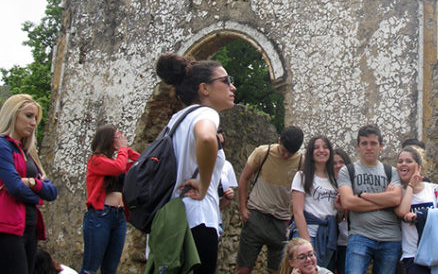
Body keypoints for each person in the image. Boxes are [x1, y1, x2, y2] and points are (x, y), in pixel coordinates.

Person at [156, 53, 236, 274]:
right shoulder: (206, 113)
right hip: (198, 219)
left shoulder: (177, 120)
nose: (233, 87)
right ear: (204, 89)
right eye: (226, 81)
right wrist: (204, 182)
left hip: (173, 221)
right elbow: (207, 138)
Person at [0, 94, 58, 274]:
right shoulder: (3, 146)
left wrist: (32, 183)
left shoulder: (28, 152)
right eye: (28, 116)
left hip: (30, 227)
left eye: (35, 118)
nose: (33, 122)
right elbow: (15, 187)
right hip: (8, 227)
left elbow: (52, 192)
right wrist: (38, 195)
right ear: (13, 115)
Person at [236, 125, 304, 274]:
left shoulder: (301, 162)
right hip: (257, 215)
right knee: (243, 268)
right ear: (279, 140)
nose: (286, 156)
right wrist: (243, 208)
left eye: (290, 153)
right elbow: (245, 178)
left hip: (281, 222)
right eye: (283, 151)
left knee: (278, 270)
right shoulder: (263, 152)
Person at [337, 124, 402, 274]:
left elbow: (395, 199)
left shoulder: (391, 172)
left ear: (381, 146)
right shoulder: (348, 171)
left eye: (373, 143)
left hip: (390, 237)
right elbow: (348, 202)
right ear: (358, 146)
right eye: (364, 143)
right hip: (360, 235)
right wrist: (383, 201)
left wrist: (363, 196)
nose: (369, 147)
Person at [80, 124, 140, 274]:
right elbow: (118, 168)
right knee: (90, 268)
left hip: (118, 217)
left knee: (110, 269)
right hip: (101, 216)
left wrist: (126, 149)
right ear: (107, 139)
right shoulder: (96, 160)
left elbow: (139, 161)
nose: (119, 140)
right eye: (116, 137)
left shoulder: (116, 160)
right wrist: (122, 149)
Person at [394, 146, 438, 274]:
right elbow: (402, 212)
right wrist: (410, 186)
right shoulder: (397, 192)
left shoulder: (434, 189)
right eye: (400, 161)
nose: (403, 164)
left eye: (409, 161)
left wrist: (422, 216)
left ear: (419, 167)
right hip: (413, 255)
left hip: (437, 252)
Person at [292, 135, 340, 269]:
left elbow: (337, 213)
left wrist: (339, 208)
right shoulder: (302, 177)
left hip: (328, 235)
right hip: (308, 232)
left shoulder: (335, 180)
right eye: (316, 148)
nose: (321, 151)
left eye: (325, 147)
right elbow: (297, 211)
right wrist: (306, 242)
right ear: (311, 152)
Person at [333, 148, 352, 274]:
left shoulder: (353, 184)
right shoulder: (328, 185)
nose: (338, 166)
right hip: (332, 241)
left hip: (348, 242)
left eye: (341, 162)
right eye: (334, 163)